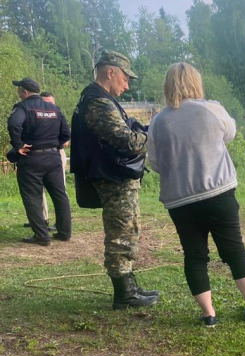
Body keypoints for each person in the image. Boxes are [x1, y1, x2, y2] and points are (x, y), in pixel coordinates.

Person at [148, 62, 245, 328]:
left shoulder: (157, 121)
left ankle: (209, 314)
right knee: (234, 250)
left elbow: (154, 164)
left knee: (194, 255)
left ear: (168, 86)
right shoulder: (212, 108)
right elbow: (230, 133)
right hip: (218, 192)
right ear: (196, 83)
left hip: (180, 200)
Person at [70, 50, 159, 310]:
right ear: (110, 72)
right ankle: (124, 294)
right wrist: (150, 135)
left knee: (128, 230)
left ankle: (129, 286)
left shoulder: (100, 99)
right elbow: (127, 141)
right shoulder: (98, 102)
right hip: (113, 180)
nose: (127, 85)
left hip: (114, 178)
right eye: (125, 78)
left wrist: (138, 130)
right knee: (120, 234)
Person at [8, 78, 71, 246]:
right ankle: (64, 232)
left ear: (24, 92)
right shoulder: (54, 108)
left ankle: (41, 236)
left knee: (32, 197)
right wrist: (55, 145)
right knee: (59, 195)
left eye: (19, 90)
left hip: (31, 158)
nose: (18, 93)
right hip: (53, 157)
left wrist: (19, 145)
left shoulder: (23, 107)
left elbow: (14, 124)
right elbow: (66, 132)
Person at [22, 91, 68, 231]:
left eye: (51, 103)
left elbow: (66, 138)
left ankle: (59, 224)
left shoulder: (56, 114)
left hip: (55, 153)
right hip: (46, 153)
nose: (48, 105)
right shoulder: (40, 114)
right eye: (45, 102)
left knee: (58, 191)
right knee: (38, 192)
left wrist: (56, 145)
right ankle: (41, 220)